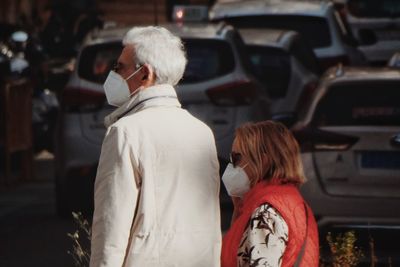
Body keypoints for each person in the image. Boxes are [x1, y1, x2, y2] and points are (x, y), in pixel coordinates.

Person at [90, 26, 221, 267]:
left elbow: (110, 227)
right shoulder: (202, 133)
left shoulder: (125, 132)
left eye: (120, 67)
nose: (114, 74)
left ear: (145, 73)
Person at [221, 121, 319, 267]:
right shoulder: (288, 202)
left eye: (236, 158)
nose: (232, 166)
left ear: (264, 161)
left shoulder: (266, 213)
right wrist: (238, 211)